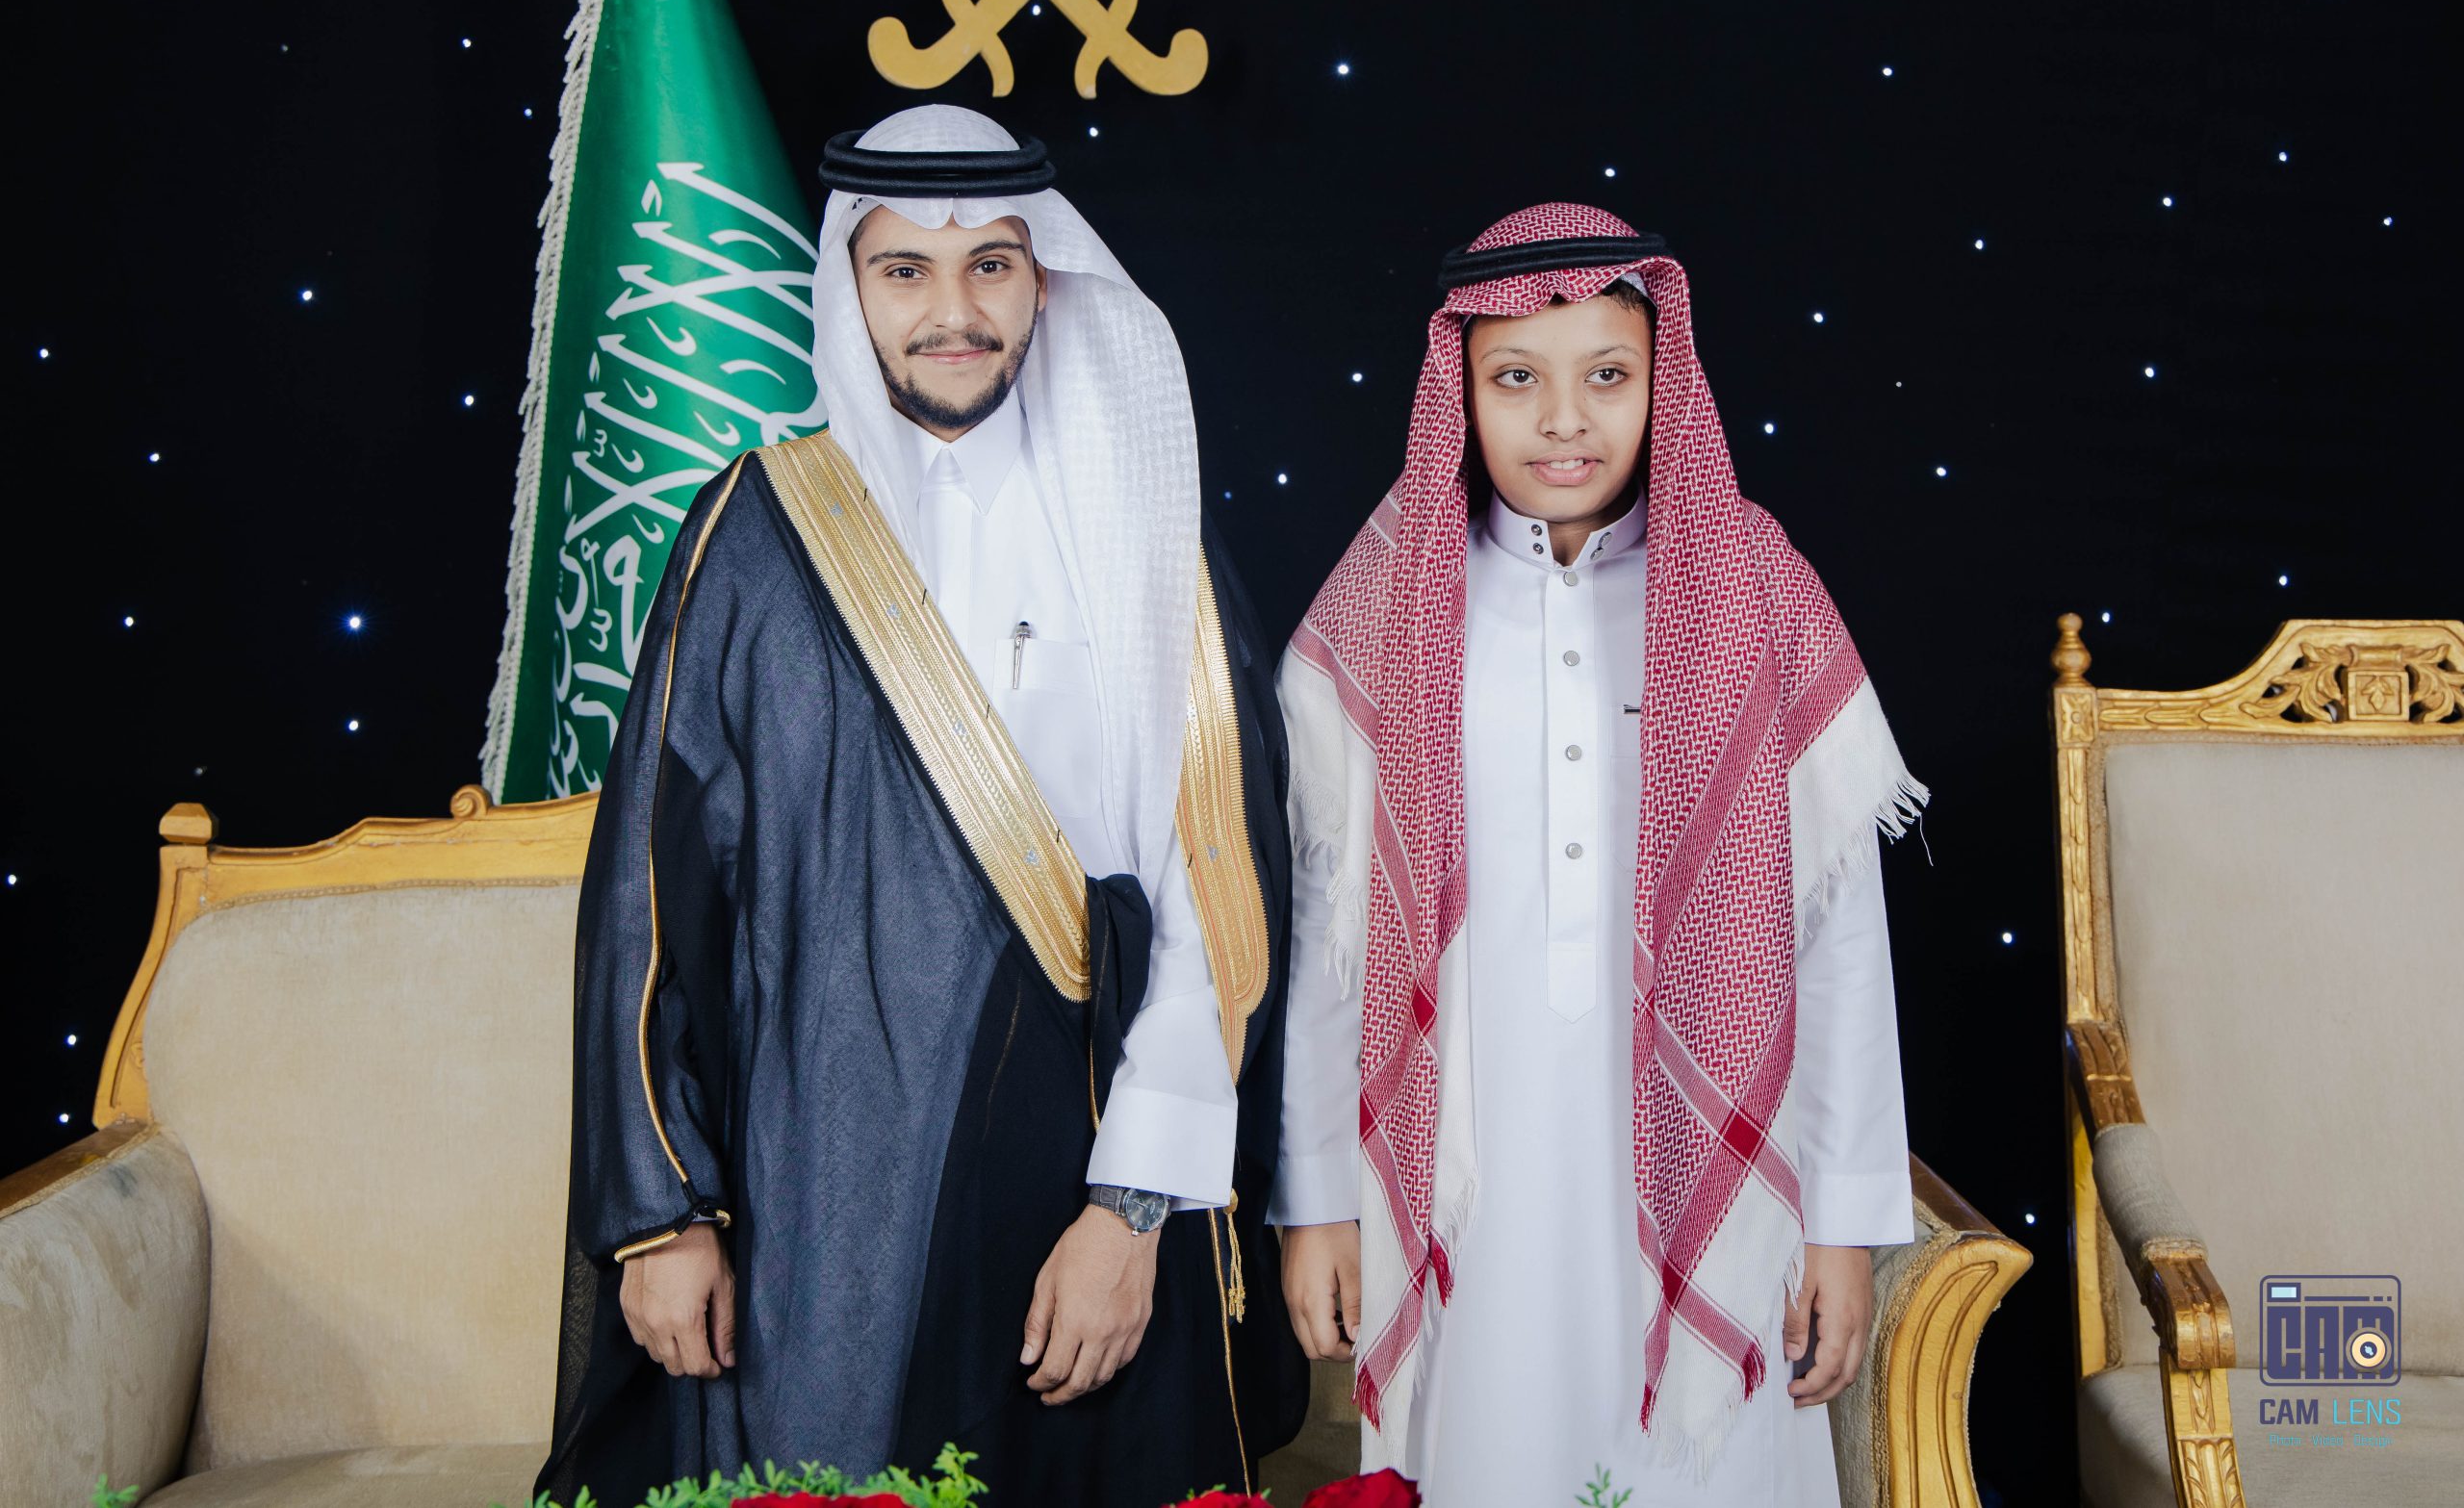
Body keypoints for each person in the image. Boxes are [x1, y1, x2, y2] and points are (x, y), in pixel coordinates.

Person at [536, 105, 1306, 1508]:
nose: (953, 312)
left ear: (1044, 279)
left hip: (1092, 1161)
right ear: (851, 286)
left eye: (991, 265)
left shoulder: (1142, 523)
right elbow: (647, 895)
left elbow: (1219, 896)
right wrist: (662, 1216)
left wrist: (1132, 1207)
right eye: (906, 271)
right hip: (821, 1188)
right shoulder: (757, 532)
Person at [1271, 204, 1923, 1506]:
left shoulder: (1751, 587)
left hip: (1707, 1166)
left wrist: (1848, 1224)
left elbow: (1838, 934)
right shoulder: (1389, 600)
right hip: (1473, 1175)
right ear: (1459, 389)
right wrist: (1318, 1196)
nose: (1563, 420)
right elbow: (1334, 931)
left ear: (1662, 382)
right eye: (1517, 378)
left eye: (1607, 376)